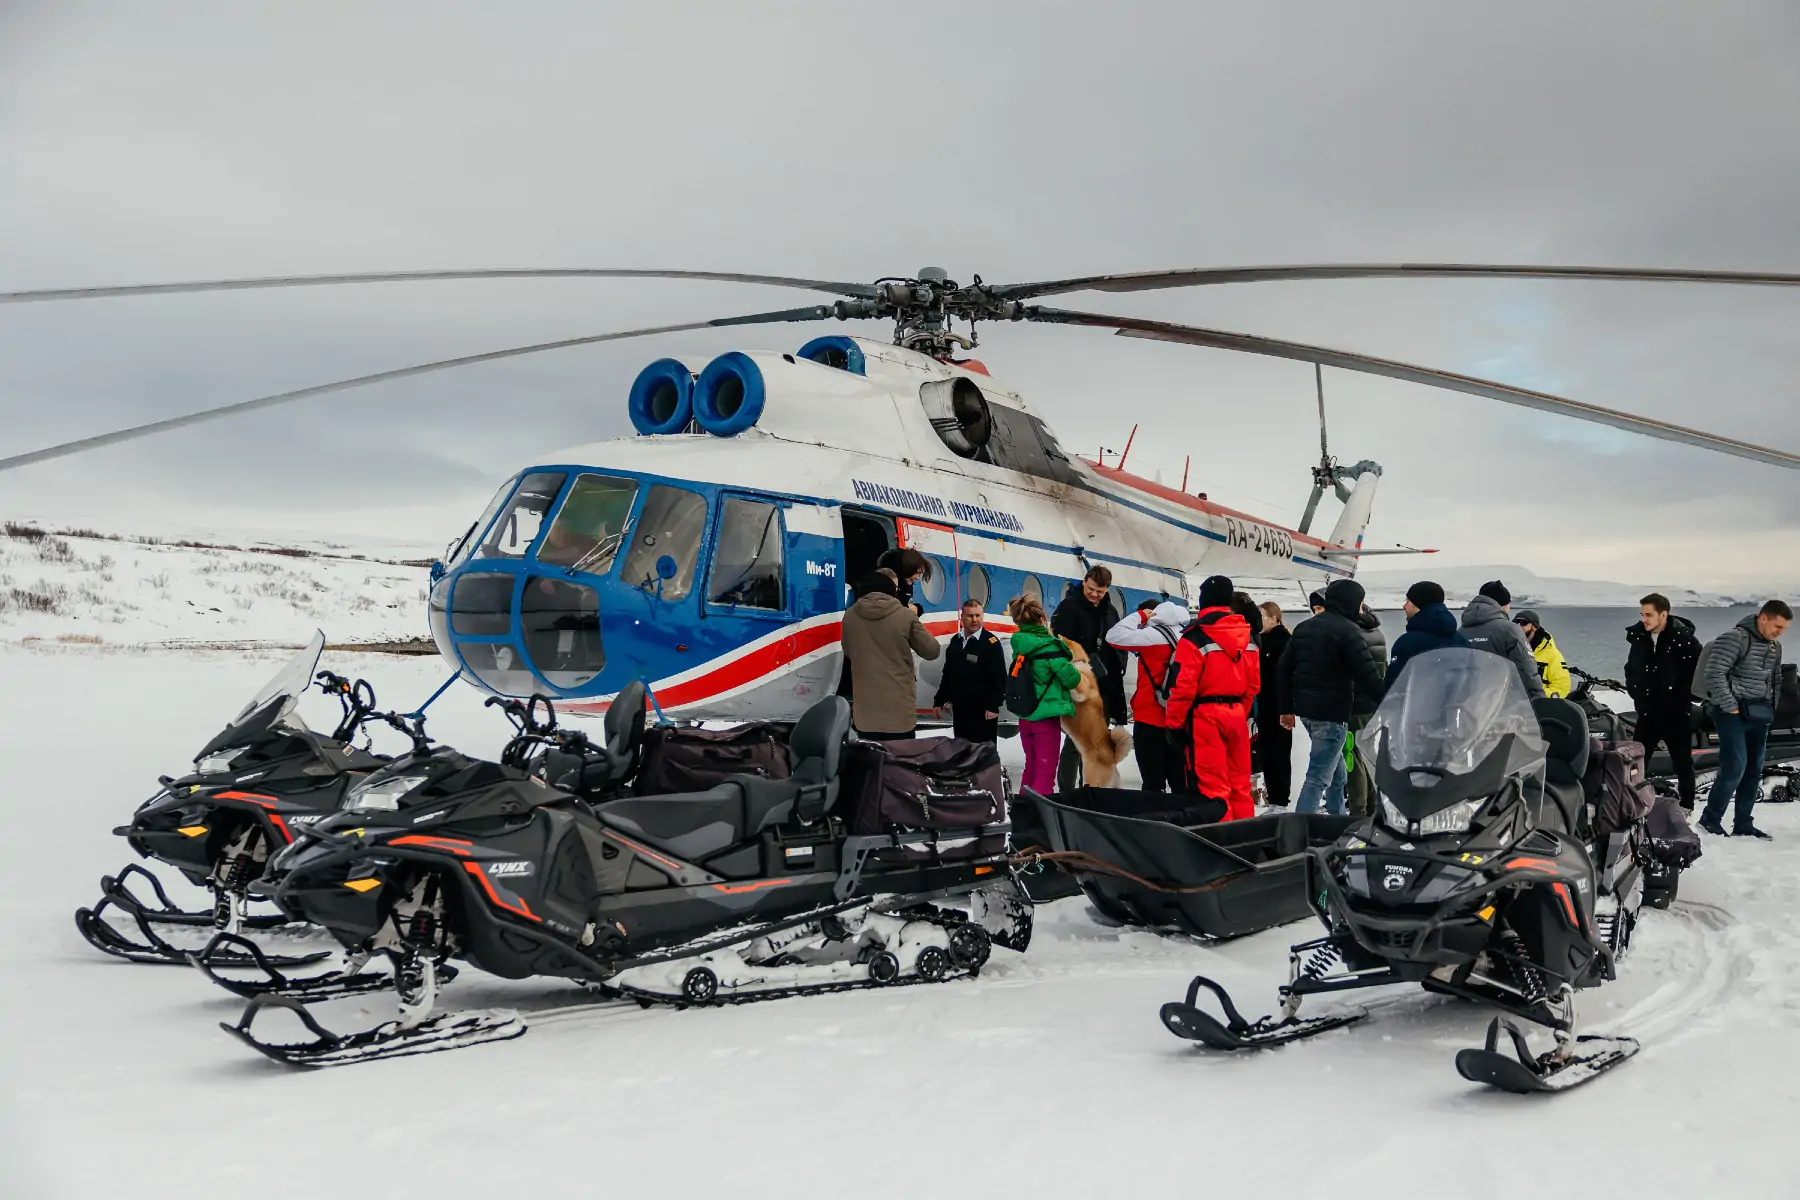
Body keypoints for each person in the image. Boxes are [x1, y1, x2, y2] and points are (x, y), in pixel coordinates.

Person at [1278, 578, 1386, 816]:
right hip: (1332, 716)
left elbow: (1283, 669)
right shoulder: (1348, 631)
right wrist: (1390, 703)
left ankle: (1336, 824)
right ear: (1351, 602)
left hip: (1306, 713)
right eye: (1360, 603)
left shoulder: (1305, 627)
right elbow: (1367, 674)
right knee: (1317, 778)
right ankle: (1299, 830)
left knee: (1337, 775)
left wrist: (1285, 708)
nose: (1361, 609)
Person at [1165, 575, 1260, 820]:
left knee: (1212, 788)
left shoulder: (1194, 637)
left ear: (1203, 599)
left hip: (1205, 718)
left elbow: (1183, 687)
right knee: (1240, 785)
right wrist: (1238, 711)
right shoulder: (1248, 636)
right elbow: (1253, 686)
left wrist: (1174, 724)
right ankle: (1247, 840)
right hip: (1237, 716)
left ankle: (1220, 845)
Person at [1698, 600, 1792, 839]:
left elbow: (1775, 680)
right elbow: (1714, 672)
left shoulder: (1774, 646)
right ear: (1763, 618)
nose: (1780, 632)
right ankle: (1710, 820)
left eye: (1784, 628)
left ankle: (1743, 824)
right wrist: (1730, 706)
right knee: (1734, 768)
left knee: (1753, 770)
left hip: (1759, 715)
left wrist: (1772, 707)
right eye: (1777, 626)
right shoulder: (1735, 638)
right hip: (1732, 714)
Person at [840, 568, 941, 740]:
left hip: (866, 714)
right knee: (899, 763)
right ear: (892, 591)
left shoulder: (849, 617)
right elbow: (932, 650)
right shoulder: (905, 615)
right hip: (899, 712)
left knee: (871, 761)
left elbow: (848, 651)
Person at [1625, 593, 1703, 810]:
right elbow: (1631, 669)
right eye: (1642, 614)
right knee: (1636, 765)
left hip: (1676, 715)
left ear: (1664, 614)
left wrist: (1681, 697)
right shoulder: (1639, 637)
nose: (1644, 619)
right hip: (1648, 713)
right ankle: (1633, 806)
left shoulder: (1685, 640)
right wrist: (1637, 695)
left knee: (1683, 765)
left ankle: (1687, 809)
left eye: (1649, 615)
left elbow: (1698, 673)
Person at [1105, 595, 1191, 792]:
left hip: (1149, 716)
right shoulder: (1188, 637)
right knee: (1180, 782)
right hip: (1179, 718)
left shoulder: (1151, 636)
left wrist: (1139, 616)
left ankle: (1154, 819)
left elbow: (1113, 636)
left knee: (1153, 784)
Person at [1052, 565, 1128, 788]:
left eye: (1100, 591)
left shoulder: (1110, 611)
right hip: (1079, 684)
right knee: (1075, 741)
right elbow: (1060, 643)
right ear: (1084, 581)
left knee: (1096, 741)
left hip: (1103, 685)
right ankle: (1067, 790)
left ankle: (1092, 788)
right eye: (1092, 589)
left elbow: (1116, 644)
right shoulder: (1069, 607)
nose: (1095, 595)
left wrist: (1118, 665)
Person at [1007, 594, 1083, 796]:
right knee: (1045, 773)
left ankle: (1024, 809)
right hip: (1046, 720)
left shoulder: (1020, 645)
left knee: (1031, 767)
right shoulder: (1050, 648)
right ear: (1042, 619)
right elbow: (1072, 680)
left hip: (1026, 717)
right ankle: (1041, 817)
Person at [933, 598, 1007, 744]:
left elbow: (999, 678)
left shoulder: (990, 643)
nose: (974, 620)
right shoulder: (956, 641)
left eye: (978, 616)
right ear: (962, 618)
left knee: (982, 753)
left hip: (983, 710)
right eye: (970, 616)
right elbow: (948, 674)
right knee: (962, 750)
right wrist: (939, 701)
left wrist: (993, 706)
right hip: (960, 708)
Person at [1460, 580, 1545, 700]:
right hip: (1502, 706)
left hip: (1468, 706)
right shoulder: (1510, 630)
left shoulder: (1460, 632)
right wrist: (1540, 701)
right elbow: (1527, 672)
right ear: (1503, 605)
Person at [1344, 603, 1388, 818]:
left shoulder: (1353, 634)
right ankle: (1373, 807)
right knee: (1368, 755)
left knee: (1352, 757)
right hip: (1372, 705)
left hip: (1355, 705)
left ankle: (1357, 810)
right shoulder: (1376, 633)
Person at [1387, 581, 1467, 684]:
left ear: (1418, 603)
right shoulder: (1462, 640)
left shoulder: (1407, 643)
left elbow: (1393, 685)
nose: (1404, 606)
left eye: (1408, 601)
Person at [1257, 602, 1293, 807]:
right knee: (1267, 753)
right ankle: (1273, 797)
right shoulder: (1261, 640)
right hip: (1263, 703)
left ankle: (1280, 799)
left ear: (1274, 618)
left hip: (1277, 705)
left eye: (1262, 617)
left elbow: (1284, 677)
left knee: (1279, 753)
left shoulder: (1283, 641)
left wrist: (1286, 708)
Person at [1512, 609, 1571, 699]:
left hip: (1538, 706)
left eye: (1524, 622)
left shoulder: (1551, 654)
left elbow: (1562, 686)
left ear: (1534, 627)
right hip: (1512, 704)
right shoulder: (1510, 648)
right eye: (1516, 622)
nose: (1519, 625)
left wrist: (1539, 697)